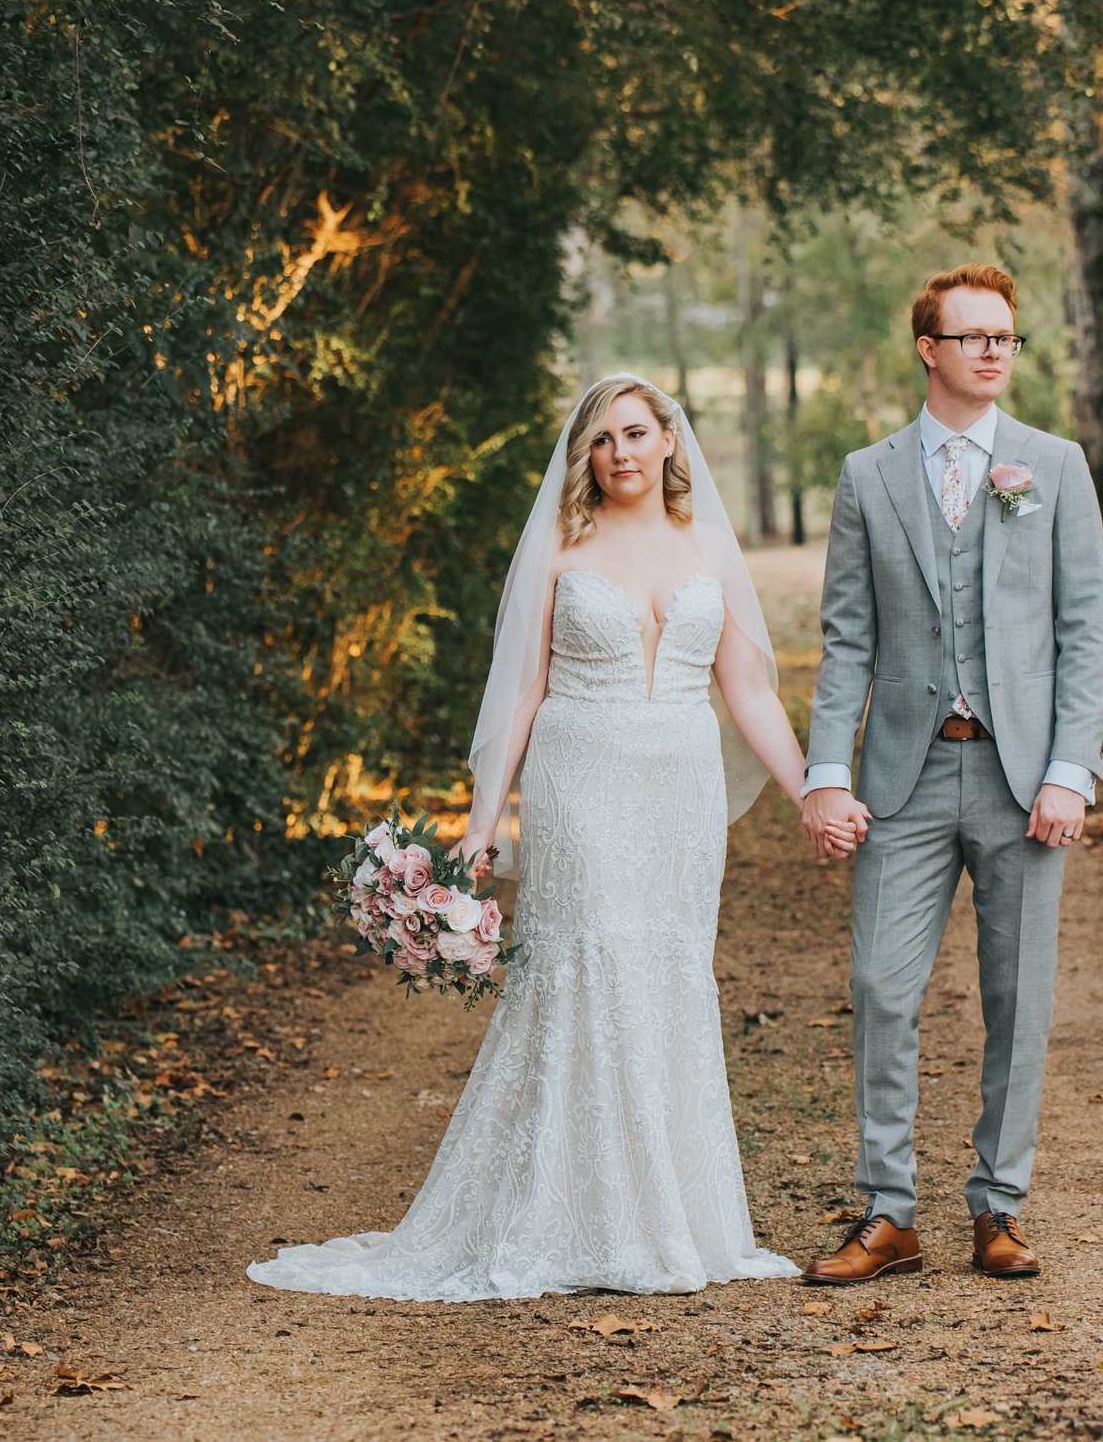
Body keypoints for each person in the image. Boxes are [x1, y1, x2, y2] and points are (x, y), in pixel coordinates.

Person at [247, 374, 843, 1300]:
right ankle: (570, 1217)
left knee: (669, 968)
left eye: (638, 433)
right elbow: (520, 691)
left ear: (672, 441)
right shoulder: (561, 550)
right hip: (583, 777)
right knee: (591, 965)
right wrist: (484, 823)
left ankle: (673, 1217)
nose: (622, 454)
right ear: (585, 457)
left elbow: (750, 690)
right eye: (602, 441)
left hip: (678, 786)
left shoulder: (711, 546)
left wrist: (809, 787)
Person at [797, 263, 1103, 1286]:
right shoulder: (866, 475)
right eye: (972, 336)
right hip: (905, 776)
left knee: (1018, 1000)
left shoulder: (1053, 466)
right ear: (928, 349)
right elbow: (846, 640)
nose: (992, 352)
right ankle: (888, 1212)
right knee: (881, 987)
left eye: (1005, 338)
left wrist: (1070, 769)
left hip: (1024, 782)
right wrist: (825, 775)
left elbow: (1083, 634)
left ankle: (999, 1207)